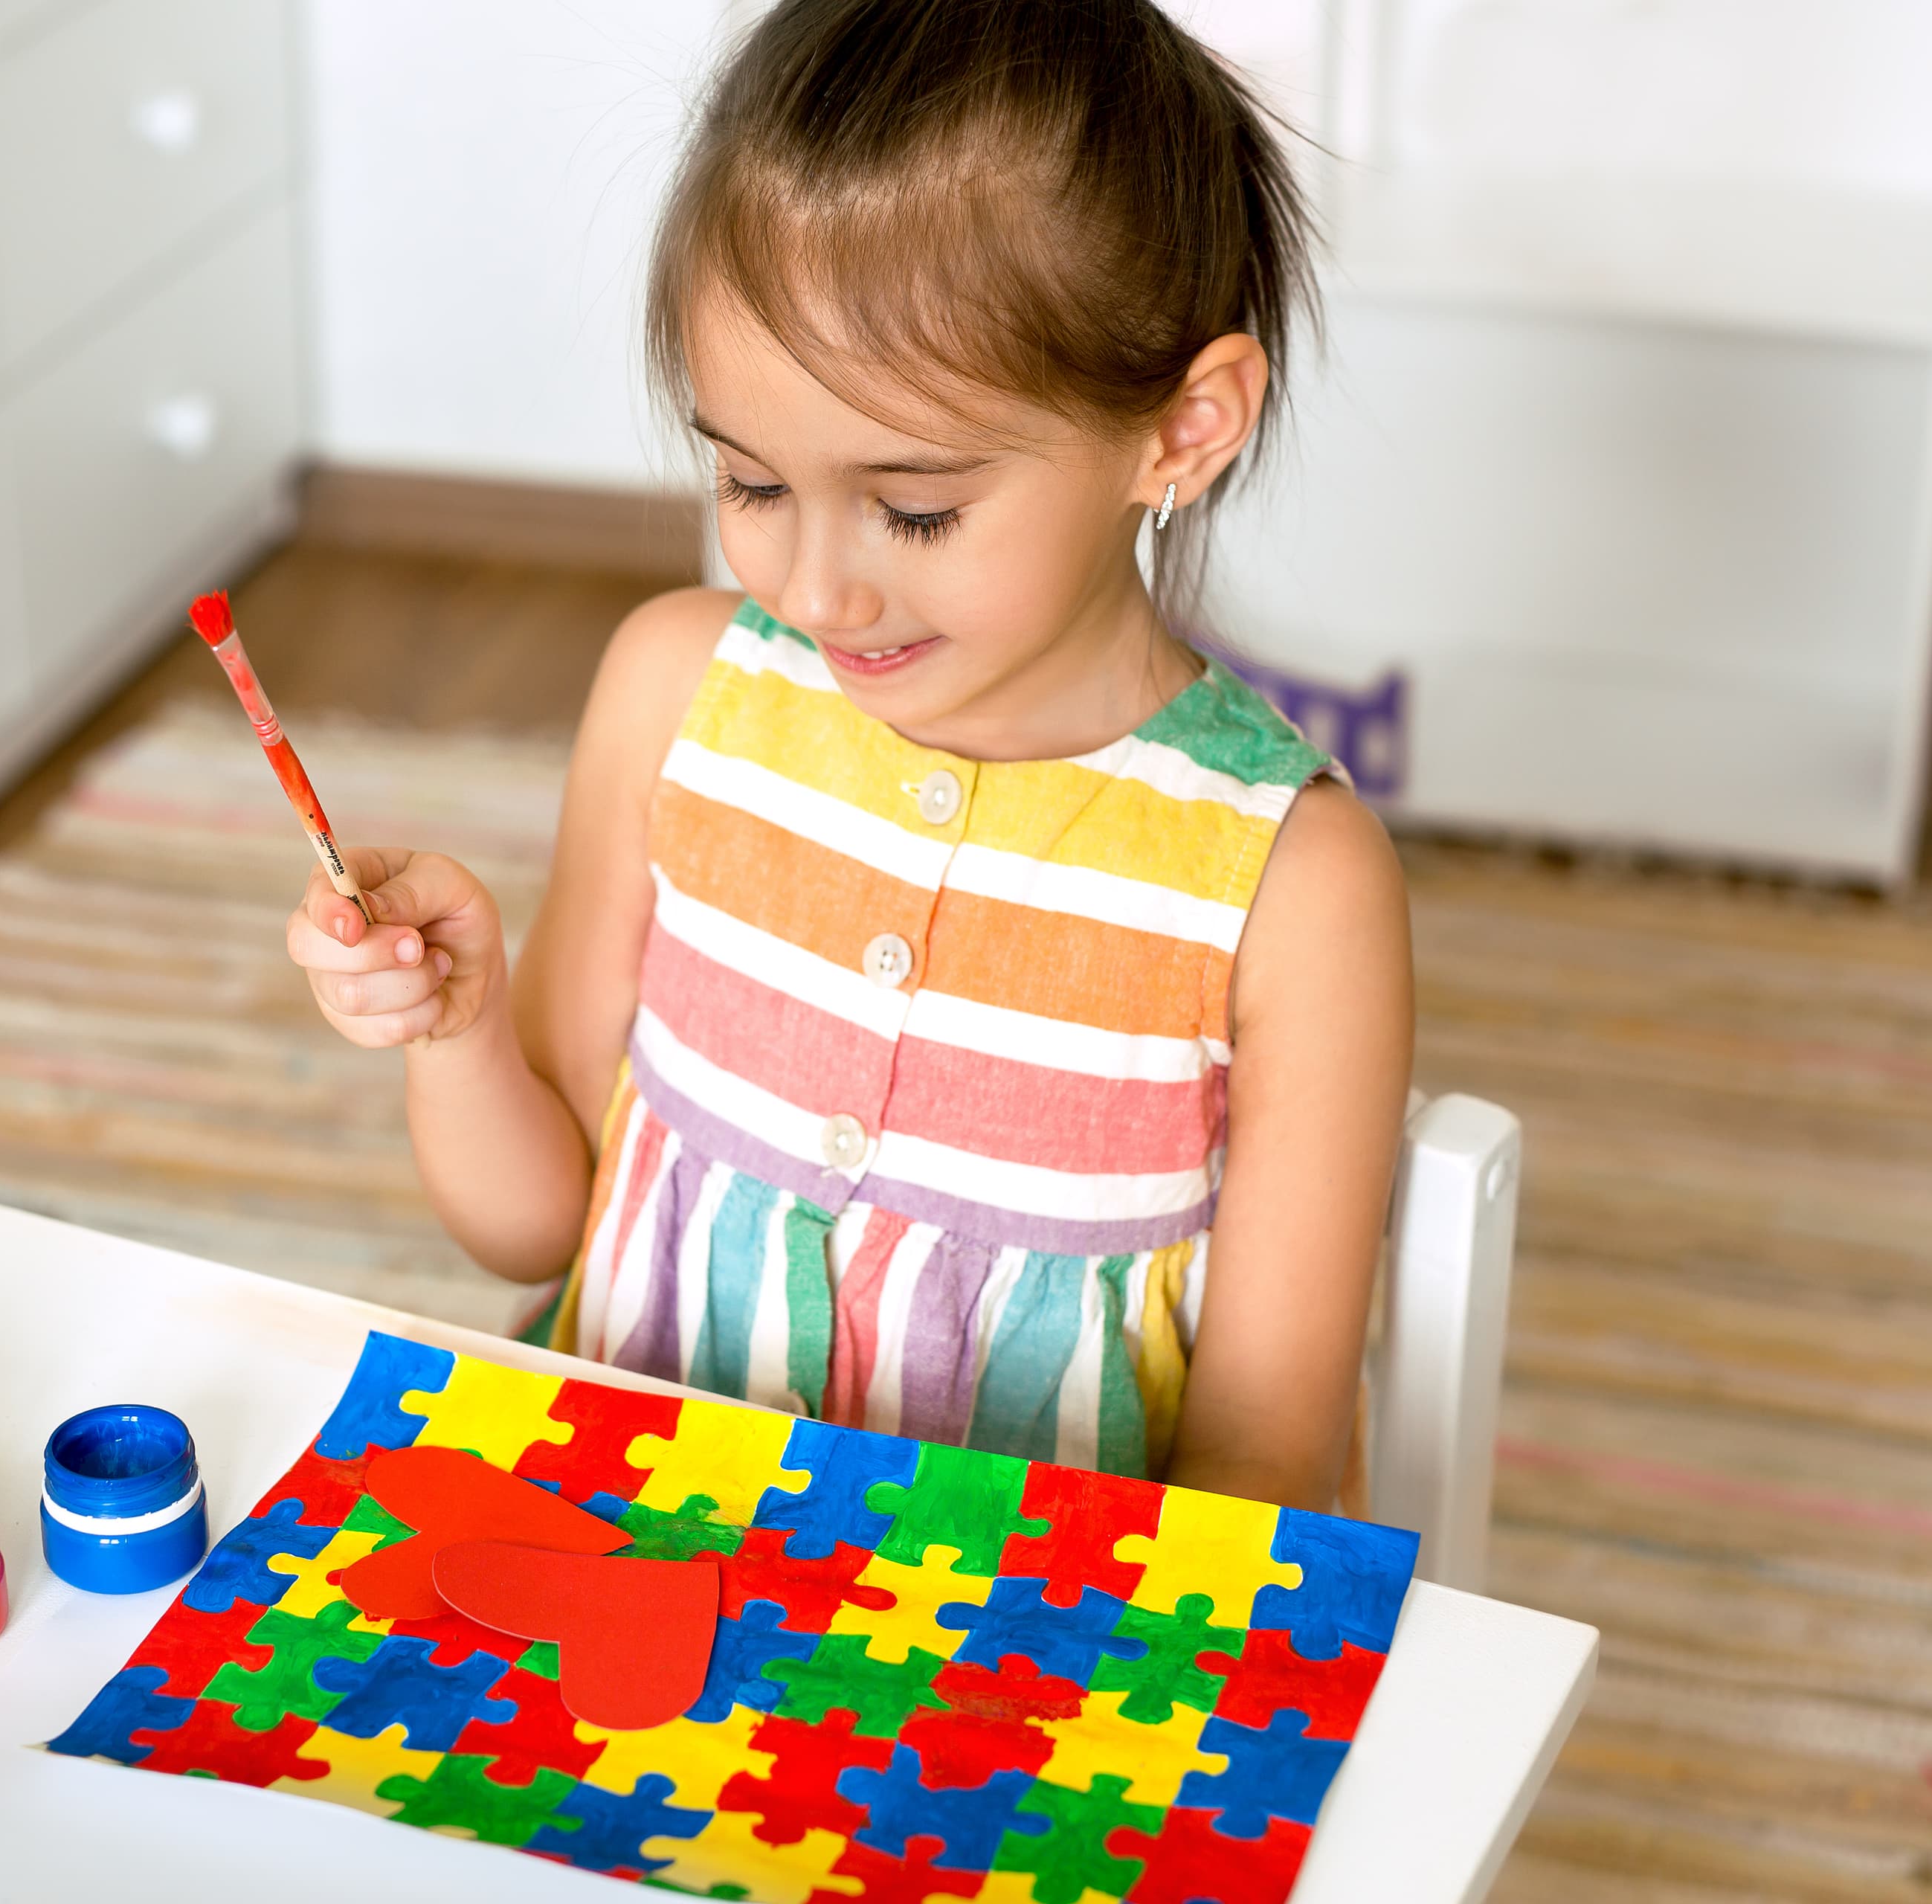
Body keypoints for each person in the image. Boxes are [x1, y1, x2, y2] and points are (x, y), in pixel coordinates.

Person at [285, 0, 1411, 1512]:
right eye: (750, 481)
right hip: (615, 1560)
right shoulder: (674, 696)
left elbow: (1261, 1466)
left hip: (1015, 1668)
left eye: (918, 511)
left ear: (1183, 428)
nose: (816, 592)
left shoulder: (1292, 882)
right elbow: (533, 1228)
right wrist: (457, 1030)